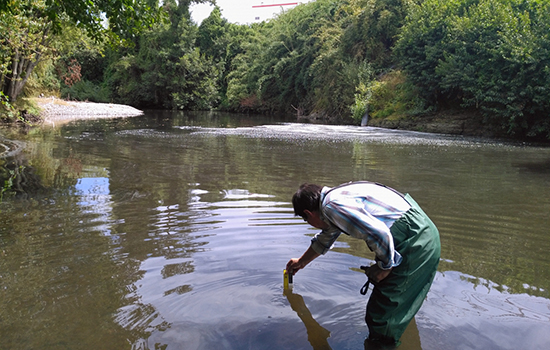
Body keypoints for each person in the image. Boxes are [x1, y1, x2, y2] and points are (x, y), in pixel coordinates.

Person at [286, 181, 441, 345]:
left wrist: (384, 267)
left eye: (306, 221)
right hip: (421, 234)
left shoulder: (332, 207)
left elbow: (379, 233)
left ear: (308, 213)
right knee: (400, 307)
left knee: (382, 316)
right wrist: (301, 262)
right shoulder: (334, 200)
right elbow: (325, 238)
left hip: (414, 241)